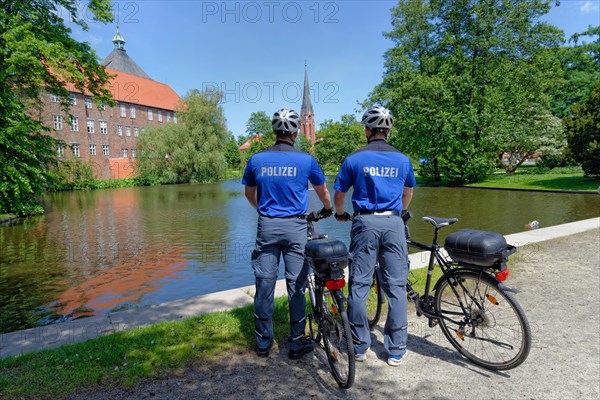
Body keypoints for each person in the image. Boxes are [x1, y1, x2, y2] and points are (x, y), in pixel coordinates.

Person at [242, 108, 333, 359]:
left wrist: (261, 208)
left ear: (274, 132)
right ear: (295, 132)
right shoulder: (306, 160)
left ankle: (263, 343)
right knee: (297, 285)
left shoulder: (257, 159)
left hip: (267, 227)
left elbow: (249, 193)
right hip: (296, 228)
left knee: (265, 283)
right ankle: (295, 342)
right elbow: (323, 191)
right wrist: (328, 209)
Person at [333, 106, 416, 367]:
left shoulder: (354, 159)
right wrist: (400, 214)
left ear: (367, 130)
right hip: (393, 223)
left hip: (365, 222)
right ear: (388, 131)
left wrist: (339, 214)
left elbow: (339, 194)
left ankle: (359, 347)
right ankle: (396, 350)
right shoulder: (403, 159)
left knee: (359, 284)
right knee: (396, 286)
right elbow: (407, 193)